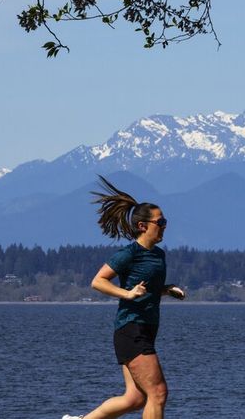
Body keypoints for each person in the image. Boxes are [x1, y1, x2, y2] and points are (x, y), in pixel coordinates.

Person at [63, 175, 187, 419]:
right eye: (160, 222)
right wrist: (127, 294)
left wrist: (165, 289)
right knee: (158, 393)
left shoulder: (158, 255)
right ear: (143, 226)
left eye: (165, 221)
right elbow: (98, 281)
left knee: (135, 398)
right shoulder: (129, 254)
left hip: (147, 328)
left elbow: (147, 288)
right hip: (131, 329)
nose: (164, 226)